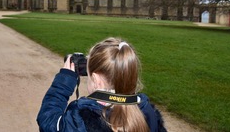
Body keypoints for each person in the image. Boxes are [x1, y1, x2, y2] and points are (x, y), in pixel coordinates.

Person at [37, 37, 166, 132]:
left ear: (96, 79)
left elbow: (48, 122)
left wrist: (63, 82)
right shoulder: (147, 111)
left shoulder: (82, 119)